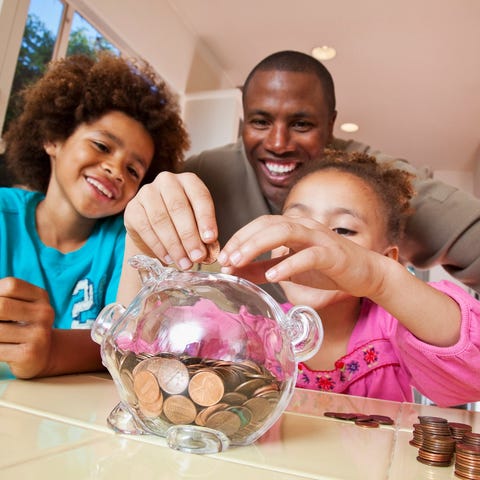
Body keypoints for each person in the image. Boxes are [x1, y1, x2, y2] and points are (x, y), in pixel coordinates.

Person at [123, 50, 480, 300]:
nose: (278, 144)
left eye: (302, 124)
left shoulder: (378, 183)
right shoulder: (201, 175)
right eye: (261, 122)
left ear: (331, 125)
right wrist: (143, 218)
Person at [215, 151, 480, 407]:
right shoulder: (256, 330)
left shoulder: (391, 329)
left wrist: (382, 280)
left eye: (342, 230)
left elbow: (471, 373)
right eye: (297, 225)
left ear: (385, 258)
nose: (314, 243)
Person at [0, 52, 189, 379]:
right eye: (102, 146)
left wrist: (51, 352)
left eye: (133, 170)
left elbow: (129, 344)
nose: (115, 170)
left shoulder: (126, 244)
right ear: (53, 138)